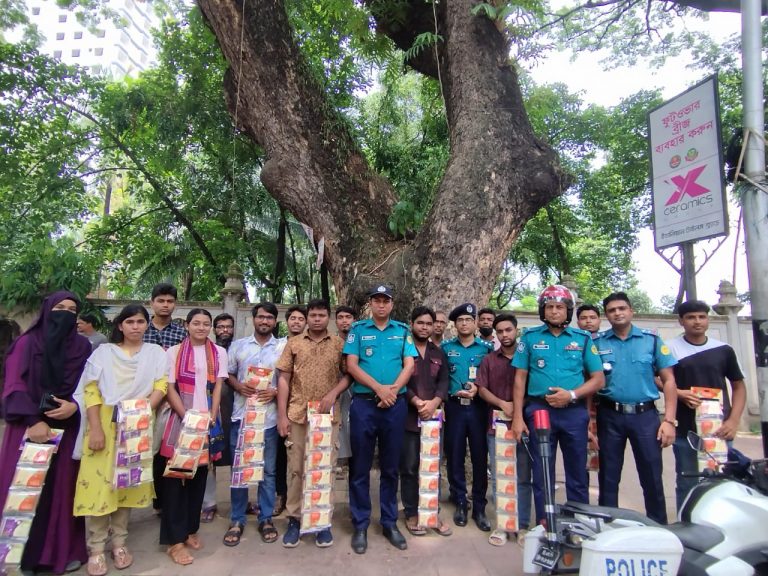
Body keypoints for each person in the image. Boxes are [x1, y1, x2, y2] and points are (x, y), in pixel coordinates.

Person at [0, 291, 91, 574]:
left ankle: (60, 553)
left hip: (66, 429)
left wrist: (75, 406)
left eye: (72, 309)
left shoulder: (83, 347)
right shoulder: (27, 343)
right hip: (29, 429)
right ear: (47, 310)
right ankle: (20, 556)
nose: (65, 313)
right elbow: (14, 384)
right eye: (59, 308)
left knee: (61, 492)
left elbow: (90, 386)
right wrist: (32, 421)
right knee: (25, 490)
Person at [73, 304, 168, 576]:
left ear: (147, 325)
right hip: (104, 422)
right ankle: (96, 548)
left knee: (127, 484)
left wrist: (144, 409)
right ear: (120, 326)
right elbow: (90, 391)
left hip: (137, 423)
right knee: (101, 486)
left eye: (140, 321)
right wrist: (96, 429)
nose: (136, 326)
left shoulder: (155, 354)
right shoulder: (104, 353)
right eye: (130, 322)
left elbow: (161, 384)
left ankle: (120, 544)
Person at [512, 285, 604, 525]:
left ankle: (579, 519)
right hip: (539, 411)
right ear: (543, 310)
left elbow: (598, 379)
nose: (554, 311)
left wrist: (572, 395)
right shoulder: (530, 338)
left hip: (573, 413)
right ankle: (545, 521)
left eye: (560, 307)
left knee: (577, 472)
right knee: (542, 471)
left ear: (568, 311)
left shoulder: (583, 340)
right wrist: (518, 418)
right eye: (550, 307)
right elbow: (520, 379)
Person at [343, 285, 417, 554]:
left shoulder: (402, 331)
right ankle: (360, 523)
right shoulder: (359, 330)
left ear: (392, 304)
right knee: (360, 467)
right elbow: (351, 365)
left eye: (386, 300)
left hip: (394, 405)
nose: (381, 305)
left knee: (390, 467)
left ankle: (389, 522)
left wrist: (393, 391)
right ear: (371, 305)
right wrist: (378, 389)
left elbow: (409, 365)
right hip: (364, 405)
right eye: (377, 301)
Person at [594, 291, 677, 524]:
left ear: (631, 311)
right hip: (610, 415)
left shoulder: (651, 340)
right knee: (608, 476)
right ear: (606, 316)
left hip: (646, 417)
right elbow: (589, 381)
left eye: (622, 308)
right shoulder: (597, 343)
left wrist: (669, 420)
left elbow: (669, 380)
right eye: (612, 310)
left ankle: (658, 526)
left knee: (651, 475)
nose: (617, 313)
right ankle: (608, 525)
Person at [276, 299, 349, 548]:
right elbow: (283, 379)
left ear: (328, 317)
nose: (317, 319)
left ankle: (321, 522)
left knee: (324, 470)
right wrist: (282, 415)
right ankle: (295, 519)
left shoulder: (339, 344)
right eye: (313, 315)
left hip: (328, 417)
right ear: (307, 317)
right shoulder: (293, 343)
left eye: (321, 315)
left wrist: (333, 394)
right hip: (298, 414)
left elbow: (349, 374)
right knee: (296, 469)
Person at [159, 309, 226, 565]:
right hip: (181, 421)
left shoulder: (219, 352)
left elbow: (218, 385)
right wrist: (185, 415)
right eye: (196, 323)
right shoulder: (174, 352)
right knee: (176, 479)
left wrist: (212, 415)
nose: (201, 327)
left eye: (206, 324)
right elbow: (169, 388)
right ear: (186, 325)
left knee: (198, 477)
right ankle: (173, 541)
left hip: (207, 421)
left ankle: (189, 529)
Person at [667, 300, 745, 511]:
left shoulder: (723, 350)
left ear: (708, 319)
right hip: (686, 428)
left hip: (719, 427)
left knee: (721, 478)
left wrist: (734, 420)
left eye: (702, 316)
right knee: (687, 479)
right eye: (691, 317)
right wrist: (680, 393)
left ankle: (720, 520)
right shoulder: (670, 348)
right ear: (681, 321)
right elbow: (659, 380)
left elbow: (738, 386)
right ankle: (687, 521)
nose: (697, 321)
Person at [222, 302, 285, 546]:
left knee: (268, 472)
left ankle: (265, 517)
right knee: (239, 470)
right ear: (253, 319)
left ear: (275, 321)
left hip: (267, 420)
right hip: (242, 417)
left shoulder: (282, 348)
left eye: (269, 318)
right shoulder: (238, 346)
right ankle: (237, 519)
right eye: (261, 317)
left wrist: (275, 391)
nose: (265, 321)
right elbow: (227, 375)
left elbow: (288, 380)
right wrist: (239, 386)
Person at [476, 313, 532, 547]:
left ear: (516, 330)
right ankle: (503, 524)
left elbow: (535, 387)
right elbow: (481, 389)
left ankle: (522, 525)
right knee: (500, 475)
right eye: (500, 332)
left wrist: (518, 407)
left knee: (522, 475)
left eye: (508, 330)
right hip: (496, 425)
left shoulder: (528, 356)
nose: (504, 335)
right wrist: (502, 404)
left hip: (525, 424)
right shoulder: (490, 360)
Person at [399, 306, 451, 537]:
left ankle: (432, 512)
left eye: (429, 324)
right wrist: (417, 402)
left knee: (432, 467)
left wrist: (434, 402)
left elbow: (444, 381)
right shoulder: (403, 349)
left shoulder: (438, 353)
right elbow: (399, 380)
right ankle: (411, 512)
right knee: (410, 467)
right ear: (412, 324)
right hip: (409, 417)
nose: (425, 327)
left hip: (433, 419)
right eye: (420, 323)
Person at [441, 303, 493, 531]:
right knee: (455, 455)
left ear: (475, 323)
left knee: (480, 457)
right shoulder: (445, 348)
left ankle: (479, 505)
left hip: (478, 407)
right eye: (460, 320)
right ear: (455, 324)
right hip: (454, 408)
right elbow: (440, 377)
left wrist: (478, 387)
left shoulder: (486, 348)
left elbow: (490, 377)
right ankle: (460, 500)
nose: (464, 323)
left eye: (468, 320)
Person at [143, 283, 186, 515]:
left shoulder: (181, 333)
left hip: (170, 399)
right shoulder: (141, 328)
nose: (165, 305)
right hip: (140, 397)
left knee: (163, 452)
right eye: (161, 301)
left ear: (175, 305)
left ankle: (160, 502)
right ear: (152, 303)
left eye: (170, 301)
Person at [201, 313, 236, 523]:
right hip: (209, 410)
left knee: (237, 458)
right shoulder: (207, 351)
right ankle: (209, 503)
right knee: (208, 460)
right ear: (214, 329)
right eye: (220, 327)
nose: (224, 330)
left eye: (228, 327)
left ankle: (238, 501)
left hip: (234, 409)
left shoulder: (240, 349)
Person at [275, 306, 307, 516]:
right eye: (292, 318)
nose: (296, 322)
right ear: (286, 321)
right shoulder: (277, 345)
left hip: (302, 408)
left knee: (303, 457)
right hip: (276, 406)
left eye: (300, 318)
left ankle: (306, 499)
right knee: (280, 455)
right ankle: (281, 495)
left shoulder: (313, 345)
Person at [335, 306, 356, 467]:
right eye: (340, 317)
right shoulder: (332, 343)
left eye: (348, 317)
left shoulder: (360, 339)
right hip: (337, 391)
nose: (344, 321)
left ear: (354, 320)